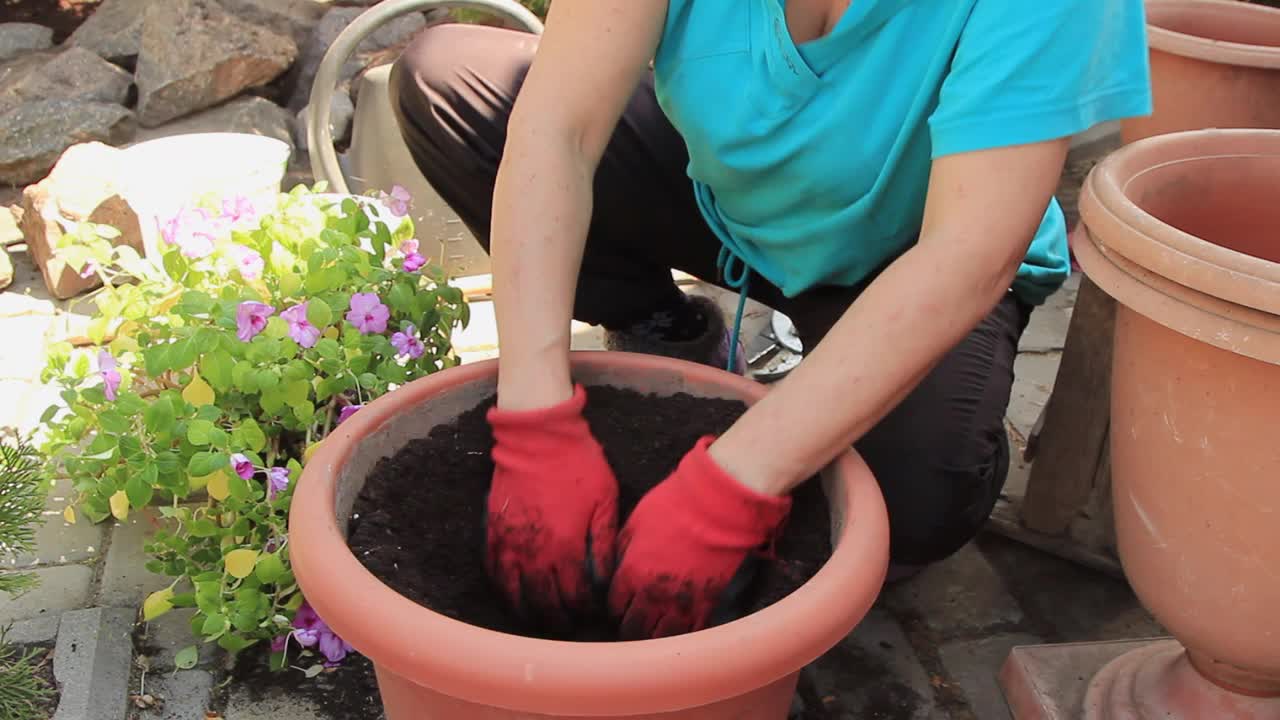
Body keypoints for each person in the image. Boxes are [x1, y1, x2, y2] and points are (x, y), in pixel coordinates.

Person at [389, 0, 1152, 640]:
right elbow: (558, 129)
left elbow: (966, 255)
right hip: (733, 210)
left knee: (910, 502)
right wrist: (534, 422)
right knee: (454, 82)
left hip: (911, 257)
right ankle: (667, 328)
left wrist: (733, 485)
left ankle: (838, 412)